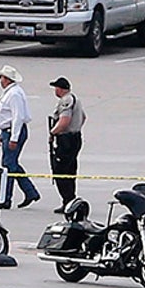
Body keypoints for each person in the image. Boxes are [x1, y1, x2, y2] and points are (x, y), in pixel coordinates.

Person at [0, 65, 40, 209]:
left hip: (14, 131)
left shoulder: (14, 94)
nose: (0, 80)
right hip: (8, 131)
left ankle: (6, 199)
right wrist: (1, 133)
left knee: (8, 166)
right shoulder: (10, 92)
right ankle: (30, 192)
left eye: (1, 77)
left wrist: (14, 138)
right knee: (11, 164)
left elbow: (17, 117)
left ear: (7, 79)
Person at [48, 76, 86, 213]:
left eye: (56, 88)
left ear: (60, 89)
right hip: (75, 137)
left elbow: (64, 121)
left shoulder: (66, 101)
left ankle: (68, 200)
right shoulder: (75, 99)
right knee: (70, 170)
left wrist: (53, 133)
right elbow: (83, 117)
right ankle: (70, 200)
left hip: (66, 140)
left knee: (61, 171)